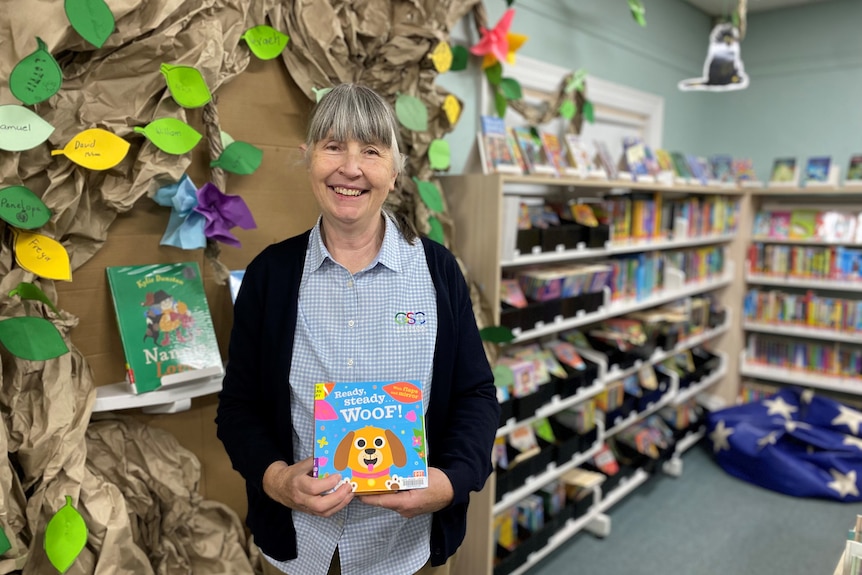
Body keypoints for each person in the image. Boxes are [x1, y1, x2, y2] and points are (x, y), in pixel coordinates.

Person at [216, 83, 500, 575]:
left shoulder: (437, 271)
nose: (351, 168)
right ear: (308, 160)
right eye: (333, 146)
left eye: (370, 150)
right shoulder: (271, 275)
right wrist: (278, 480)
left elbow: (475, 393)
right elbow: (239, 406)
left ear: (394, 171)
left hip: (404, 548)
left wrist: (452, 482)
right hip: (299, 545)